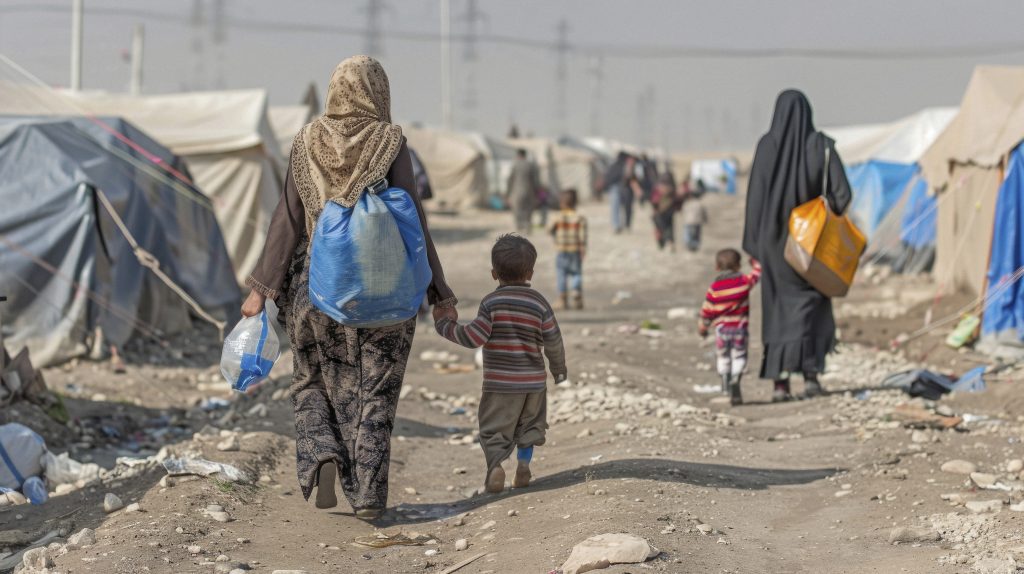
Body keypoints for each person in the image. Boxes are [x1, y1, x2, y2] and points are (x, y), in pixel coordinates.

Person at [241, 56, 458, 520]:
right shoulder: (390, 141)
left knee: (312, 378)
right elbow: (414, 223)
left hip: (315, 288)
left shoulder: (305, 141)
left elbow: (287, 218)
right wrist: (439, 293)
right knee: (376, 389)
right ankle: (369, 496)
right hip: (385, 288)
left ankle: (321, 452)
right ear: (378, 91)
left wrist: (261, 288)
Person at [433, 234, 567, 493]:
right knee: (530, 426)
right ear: (530, 273)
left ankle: (495, 467)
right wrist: (559, 369)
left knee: (494, 428)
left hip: (500, 384)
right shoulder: (539, 303)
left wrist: (444, 325)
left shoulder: (491, 303)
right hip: (534, 383)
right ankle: (524, 465)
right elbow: (553, 339)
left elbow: (474, 337)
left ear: (494, 274)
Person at [743, 89, 852, 402]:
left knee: (777, 310)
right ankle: (811, 377)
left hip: (773, 246)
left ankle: (780, 383)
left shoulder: (767, 146)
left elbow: (755, 199)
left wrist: (755, 246)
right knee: (812, 307)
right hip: (811, 246)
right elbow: (842, 195)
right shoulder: (821, 146)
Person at [698, 249, 762, 406]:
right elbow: (757, 274)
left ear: (717, 267)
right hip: (739, 328)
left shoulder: (715, 288)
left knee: (723, 356)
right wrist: (754, 261)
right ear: (738, 265)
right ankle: (736, 377)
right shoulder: (743, 282)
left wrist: (704, 326)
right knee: (739, 355)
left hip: (721, 330)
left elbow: (707, 310)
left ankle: (725, 383)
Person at [548, 189, 588, 309]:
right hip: (575, 250)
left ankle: (562, 299)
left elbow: (549, 229)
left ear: (561, 203)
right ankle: (576, 292)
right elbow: (582, 236)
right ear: (575, 202)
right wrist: (583, 248)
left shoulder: (557, 217)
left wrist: (554, 234)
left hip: (561, 250)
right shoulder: (580, 218)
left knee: (561, 274)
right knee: (576, 273)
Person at [507, 149, 540, 233]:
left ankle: (519, 226)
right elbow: (535, 180)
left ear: (518, 155)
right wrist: (536, 192)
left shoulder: (515, 165)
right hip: (529, 191)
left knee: (517, 208)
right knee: (528, 209)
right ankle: (528, 225)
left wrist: (508, 192)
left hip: (517, 191)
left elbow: (510, 179)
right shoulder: (530, 165)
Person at [651, 173, 678, 251]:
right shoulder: (672, 188)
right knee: (668, 228)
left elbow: (654, 200)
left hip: (660, 212)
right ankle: (669, 243)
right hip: (668, 211)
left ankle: (665, 244)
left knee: (661, 229)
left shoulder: (658, 188)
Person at [680, 187, 707, 252]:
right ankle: (695, 245)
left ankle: (689, 243)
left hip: (688, 221)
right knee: (696, 234)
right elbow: (703, 213)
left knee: (688, 233)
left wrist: (684, 217)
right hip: (697, 221)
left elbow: (683, 210)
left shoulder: (687, 202)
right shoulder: (700, 204)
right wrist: (705, 219)